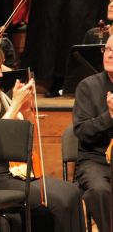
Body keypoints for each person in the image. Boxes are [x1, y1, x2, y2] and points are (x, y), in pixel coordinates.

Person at [0, 38, 85, 232]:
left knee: (72, 192)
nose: (0, 73)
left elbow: (25, 136)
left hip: (16, 173)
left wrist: (25, 110)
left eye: (0, 67)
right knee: (58, 202)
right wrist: (15, 104)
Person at [73, 33, 113, 232]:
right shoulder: (88, 87)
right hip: (95, 159)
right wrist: (109, 116)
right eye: (107, 49)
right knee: (99, 190)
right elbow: (82, 131)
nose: (110, 54)